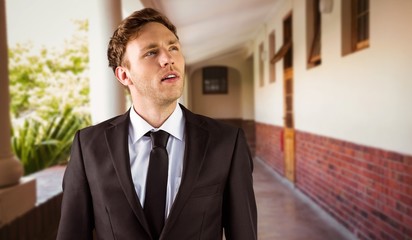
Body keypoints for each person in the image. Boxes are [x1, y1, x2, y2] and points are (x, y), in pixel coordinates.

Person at [57, 7, 257, 240]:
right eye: (151, 53)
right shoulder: (88, 145)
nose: (168, 59)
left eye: (173, 48)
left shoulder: (227, 143)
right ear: (124, 75)